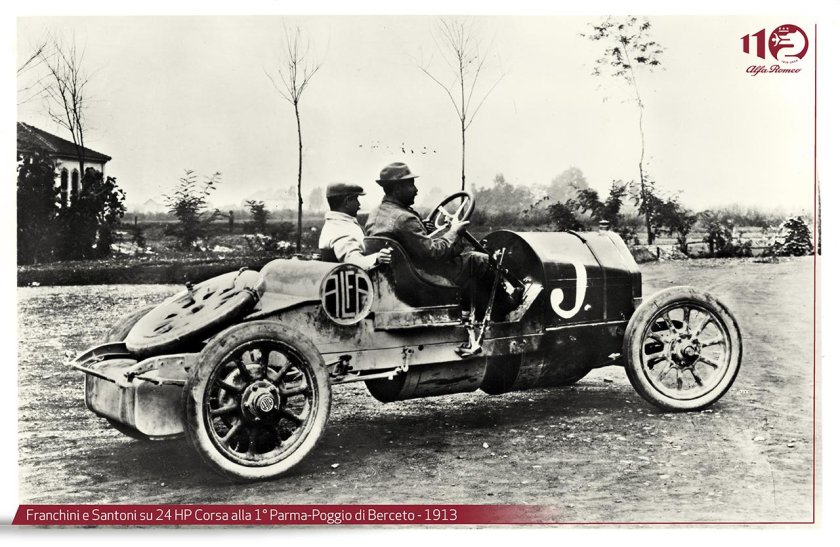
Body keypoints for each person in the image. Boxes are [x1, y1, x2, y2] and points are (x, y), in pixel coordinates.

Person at [364, 162, 489, 289]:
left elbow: (403, 238)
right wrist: (454, 232)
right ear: (397, 189)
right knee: (479, 260)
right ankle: (503, 306)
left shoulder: (375, 213)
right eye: (411, 185)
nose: (416, 190)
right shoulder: (404, 218)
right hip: (420, 277)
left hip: (394, 277)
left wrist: (421, 227)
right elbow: (434, 254)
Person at [318, 182, 391, 269]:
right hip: (352, 280)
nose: (359, 205)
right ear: (347, 202)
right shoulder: (341, 229)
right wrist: (377, 258)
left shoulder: (335, 224)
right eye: (356, 199)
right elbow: (351, 261)